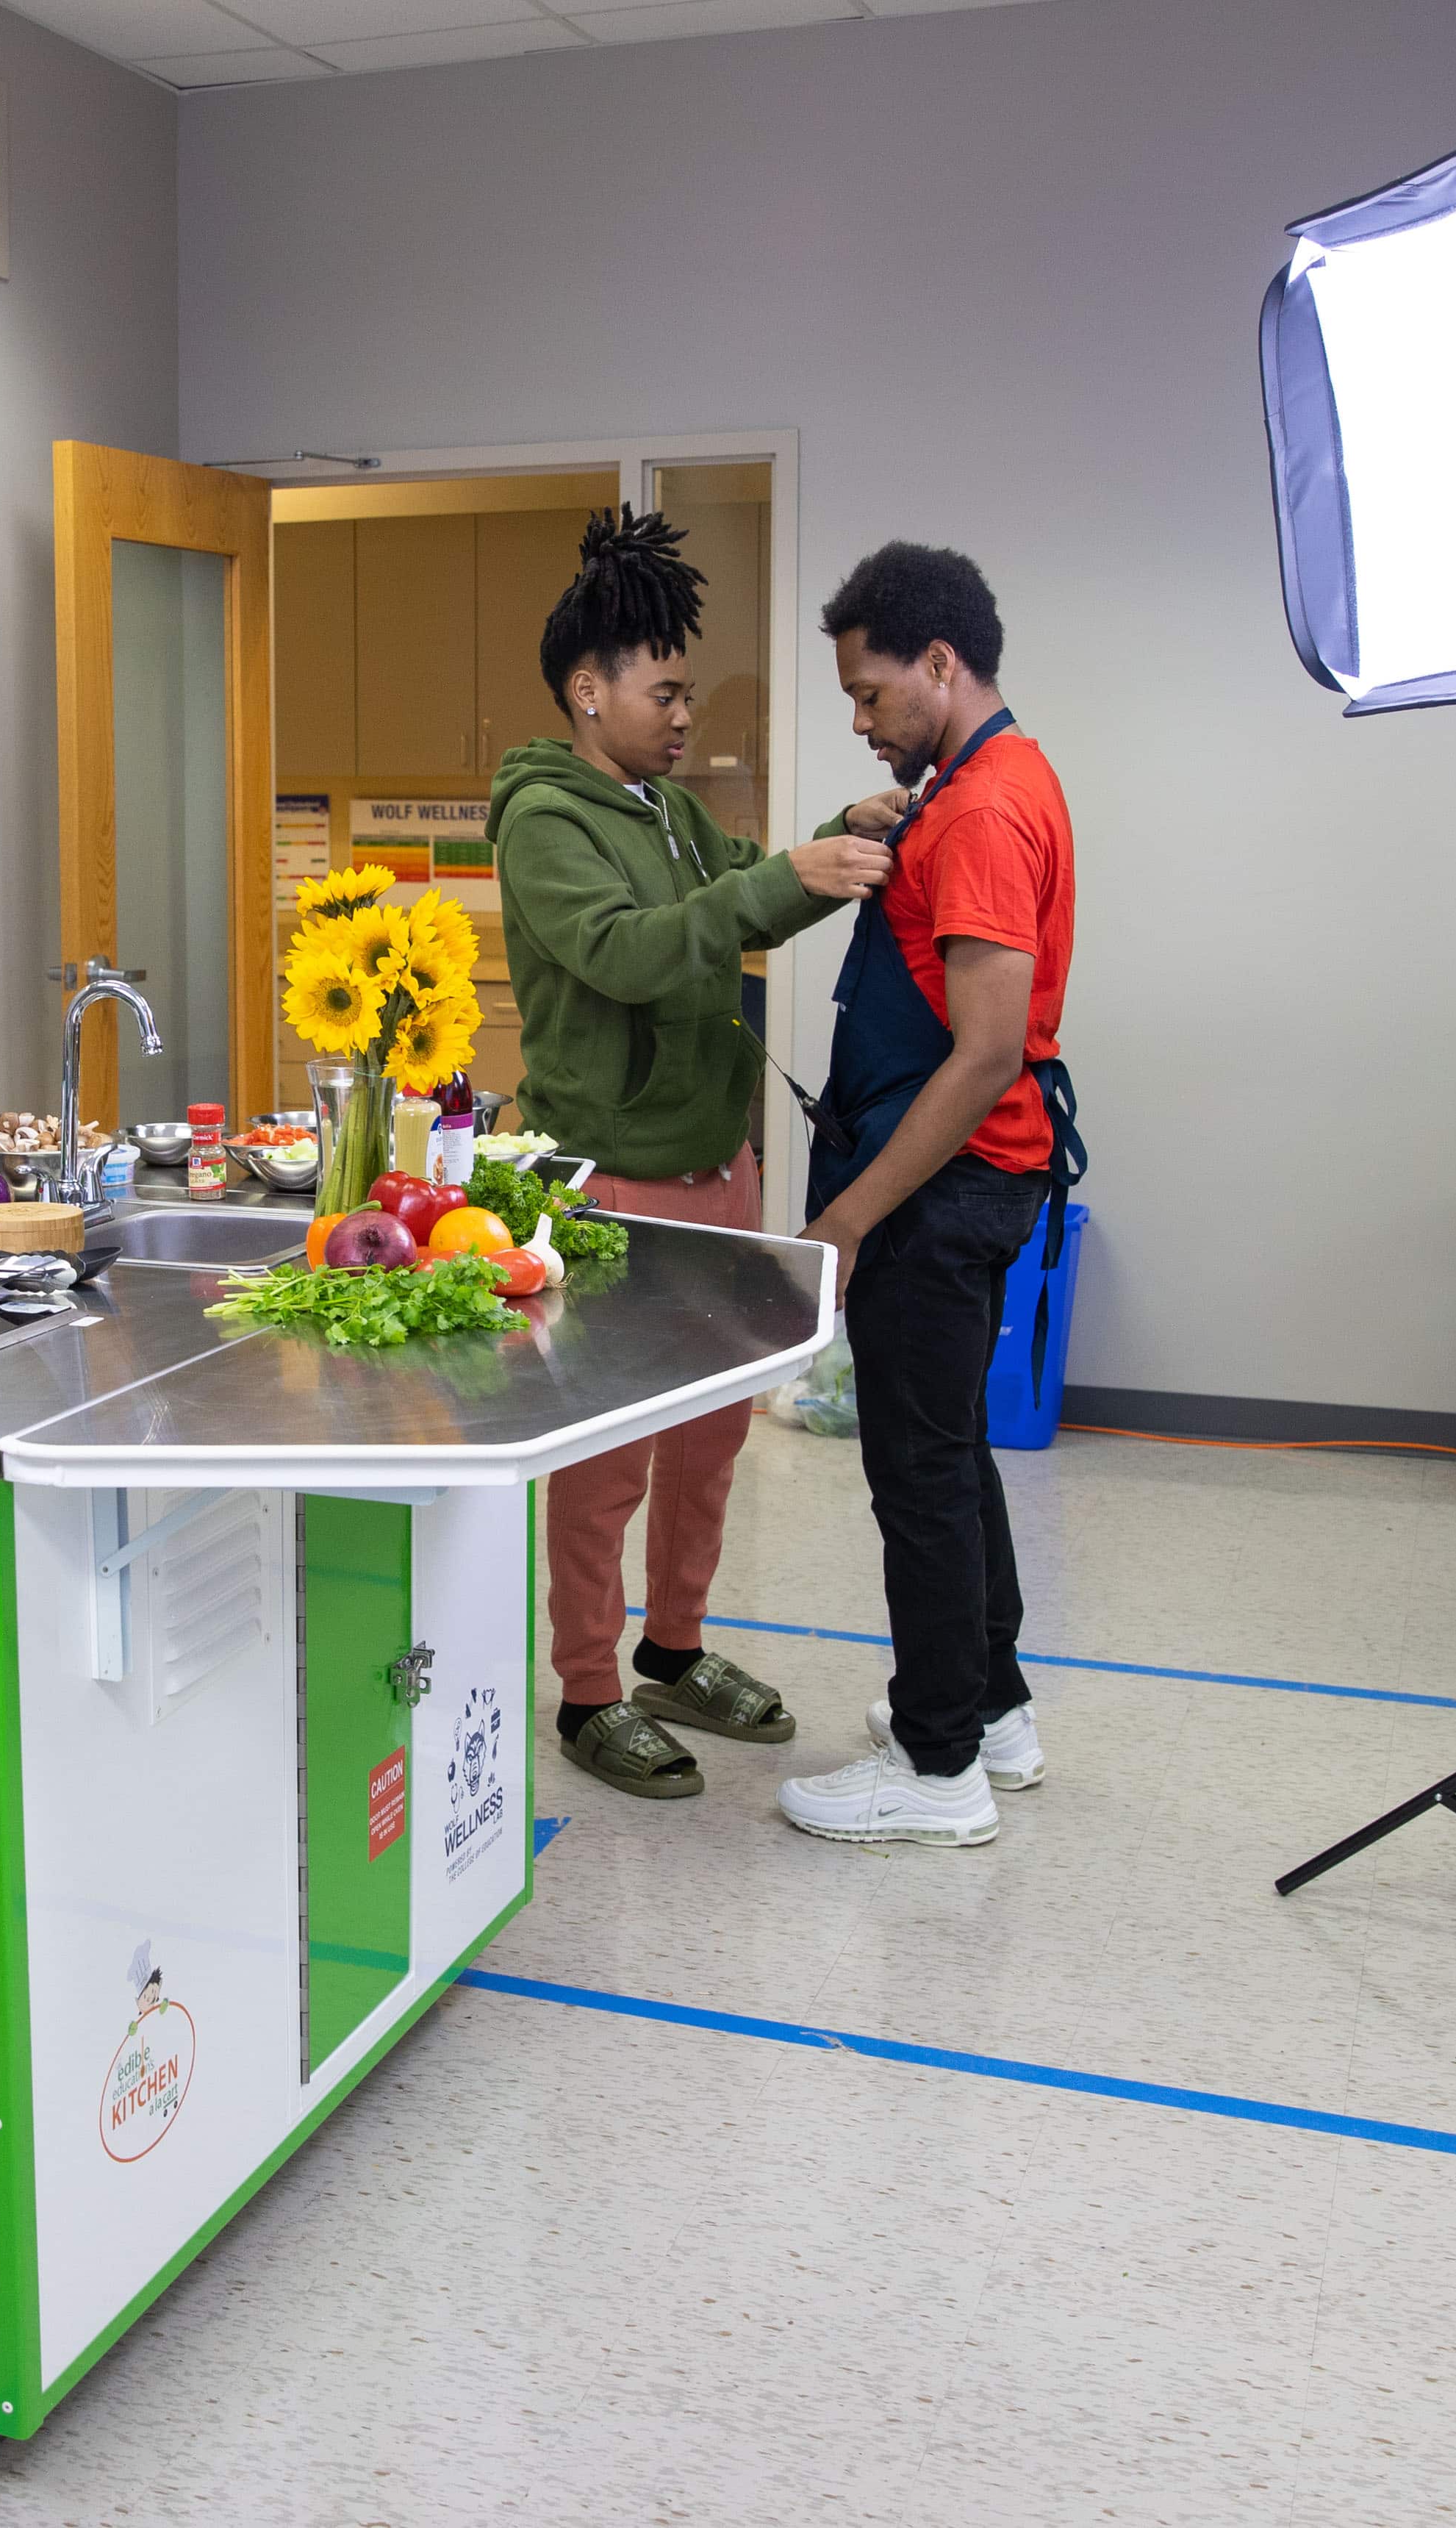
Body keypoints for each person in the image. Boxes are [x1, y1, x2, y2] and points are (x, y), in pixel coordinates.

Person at [487, 511, 893, 1800]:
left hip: (716, 1169)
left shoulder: (662, 807)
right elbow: (635, 946)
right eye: (661, 690)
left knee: (712, 1438)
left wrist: (846, 832)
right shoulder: (542, 822)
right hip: (611, 1182)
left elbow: (742, 882)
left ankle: (675, 1647)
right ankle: (589, 1691)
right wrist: (786, 877)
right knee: (605, 1467)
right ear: (585, 688)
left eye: (682, 691)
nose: (678, 714)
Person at [778, 543, 1078, 1850]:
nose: (858, 717)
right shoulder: (982, 781)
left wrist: (850, 1213)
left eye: (868, 691)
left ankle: (936, 1761)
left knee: (917, 1474)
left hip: (942, 1192)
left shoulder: (981, 812)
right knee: (949, 1450)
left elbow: (984, 1051)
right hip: (963, 1182)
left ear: (939, 666)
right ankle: (989, 1709)